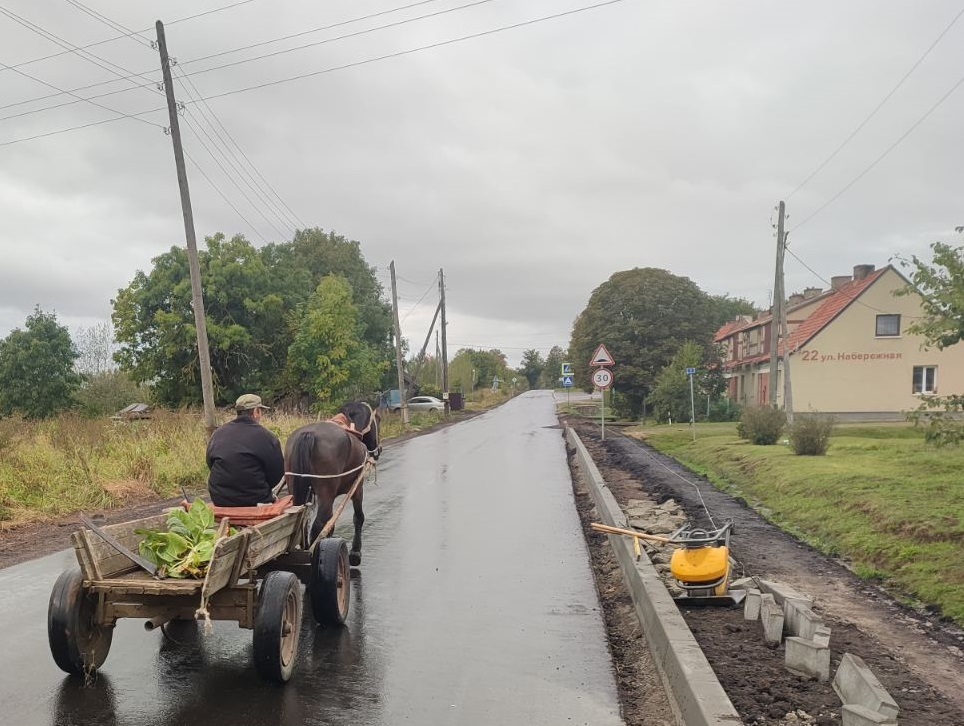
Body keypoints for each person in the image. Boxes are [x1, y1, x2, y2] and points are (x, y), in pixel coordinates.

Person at [207, 393, 285, 507]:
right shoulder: (267, 436)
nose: (260, 415)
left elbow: (210, 463)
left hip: (219, 499)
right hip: (255, 499)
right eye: (260, 411)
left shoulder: (218, 433)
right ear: (256, 412)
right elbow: (277, 473)